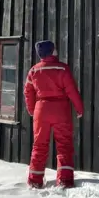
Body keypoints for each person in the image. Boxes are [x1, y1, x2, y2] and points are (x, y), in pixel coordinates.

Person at [23, 40, 84, 189]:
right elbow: (71, 90)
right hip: (60, 109)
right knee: (64, 145)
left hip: (41, 109)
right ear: (52, 51)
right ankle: (64, 180)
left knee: (39, 145)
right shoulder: (62, 69)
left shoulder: (33, 71)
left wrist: (32, 110)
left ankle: (35, 180)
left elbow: (28, 92)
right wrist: (79, 109)